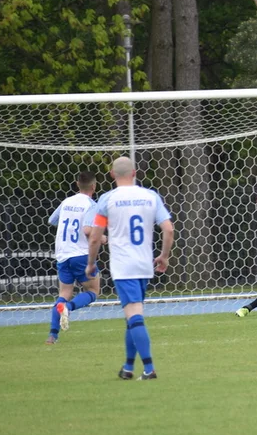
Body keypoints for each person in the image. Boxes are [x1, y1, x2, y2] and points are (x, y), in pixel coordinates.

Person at [86, 157, 175, 380]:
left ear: (112, 175)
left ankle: (149, 368)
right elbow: (169, 229)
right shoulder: (151, 196)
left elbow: (95, 237)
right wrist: (164, 256)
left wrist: (90, 263)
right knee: (131, 316)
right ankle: (127, 367)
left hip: (123, 266)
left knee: (134, 315)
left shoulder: (107, 199)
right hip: (145, 265)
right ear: (134, 173)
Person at [45, 172, 101, 345]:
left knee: (64, 293)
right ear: (94, 186)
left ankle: (52, 336)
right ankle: (68, 308)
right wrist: (103, 238)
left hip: (62, 254)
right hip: (81, 253)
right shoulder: (92, 205)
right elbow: (89, 231)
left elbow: (52, 220)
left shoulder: (66, 201)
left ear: (77, 184)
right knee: (92, 291)